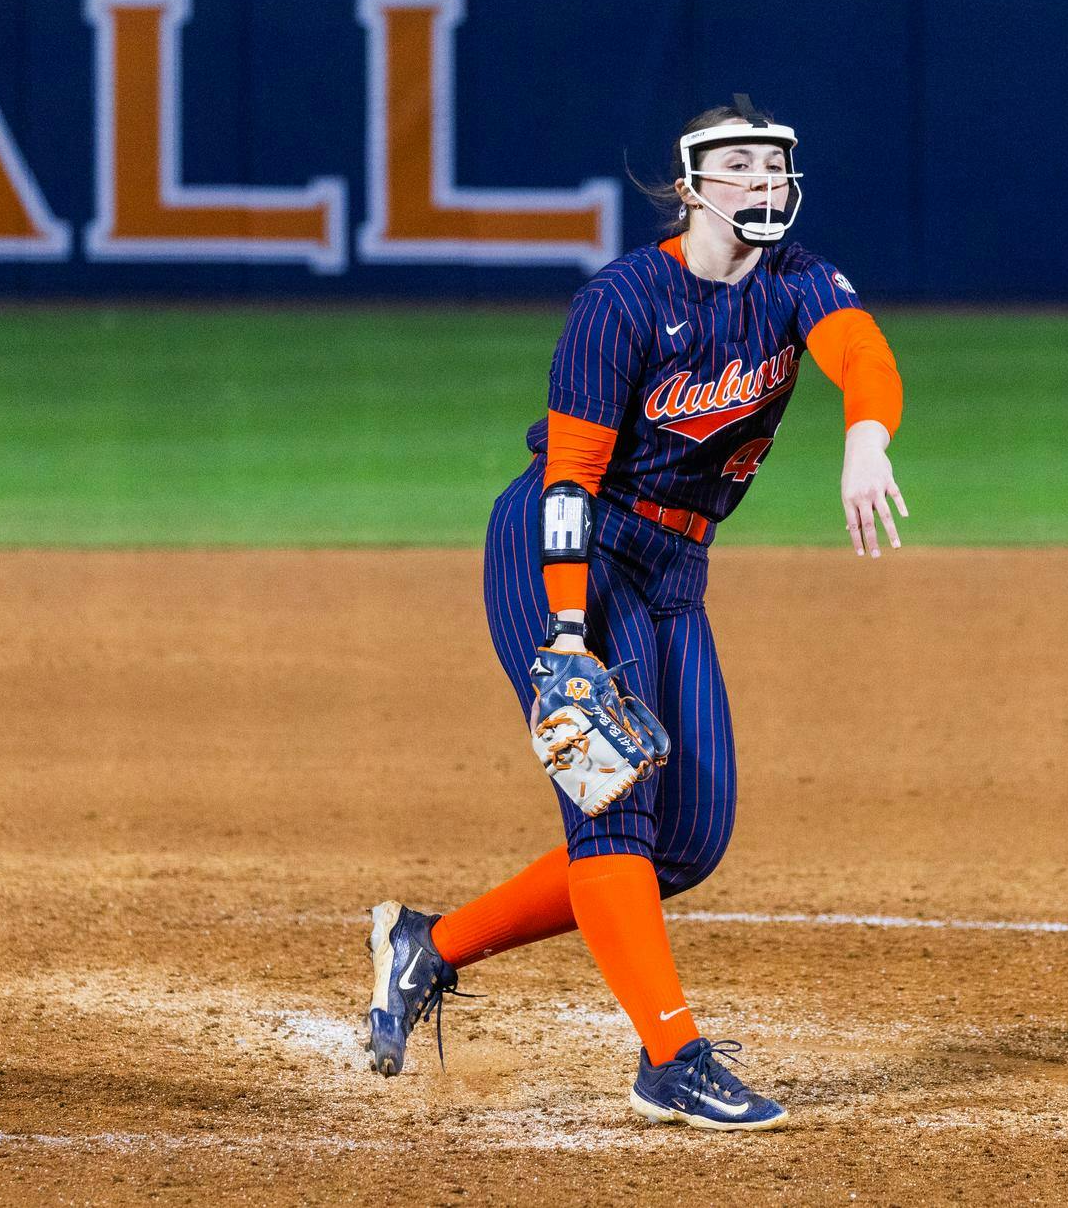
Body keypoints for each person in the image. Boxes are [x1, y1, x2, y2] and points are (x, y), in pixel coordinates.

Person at [363, 95, 906, 1131]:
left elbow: (861, 352)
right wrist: (564, 638)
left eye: (775, 166)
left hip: (670, 566)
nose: (762, 183)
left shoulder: (798, 282)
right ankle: (671, 1054)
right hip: (563, 547)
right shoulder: (621, 301)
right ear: (691, 185)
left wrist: (866, 436)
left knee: (688, 839)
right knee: (610, 794)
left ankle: (423, 946)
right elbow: (568, 477)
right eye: (738, 166)